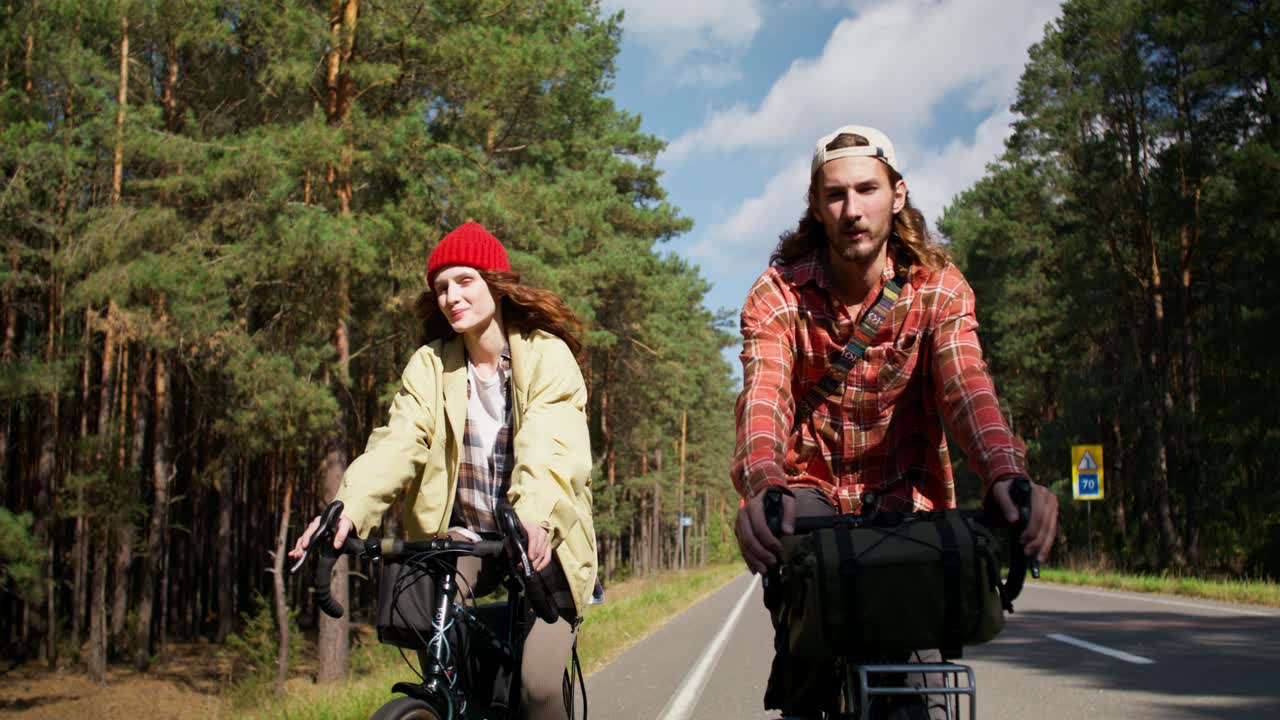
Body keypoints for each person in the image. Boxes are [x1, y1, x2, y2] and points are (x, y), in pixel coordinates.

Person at [730, 126, 1060, 717]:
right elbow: (764, 399)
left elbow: (967, 388)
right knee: (805, 658)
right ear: (816, 205)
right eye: (835, 194)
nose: (852, 210)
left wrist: (1007, 475)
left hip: (910, 508)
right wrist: (764, 485)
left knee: (929, 685)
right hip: (810, 499)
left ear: (897, 194)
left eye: (867, 189)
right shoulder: (777, 295)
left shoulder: (939, 289)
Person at [290, 221, 597, 720]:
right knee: (441, 660)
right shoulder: (430, 365)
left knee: (539, 687)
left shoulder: (546, 355)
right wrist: (349, 510)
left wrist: (536, 517)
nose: (452, 296)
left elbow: (551, 445)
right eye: (441, 287)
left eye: (465, 281)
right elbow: (398, 442)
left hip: (542, 535)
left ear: (495, 284)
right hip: (467, 536)